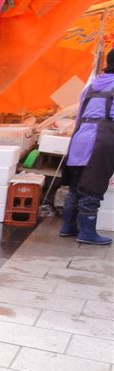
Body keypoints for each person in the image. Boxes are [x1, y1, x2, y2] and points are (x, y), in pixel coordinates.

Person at [60, 47, 114, 245]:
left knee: (76, 184)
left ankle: (68, 226)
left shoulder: (92, 85)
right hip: (100, 141)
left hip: (80, 138)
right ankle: (87, 232)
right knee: (92, 185)